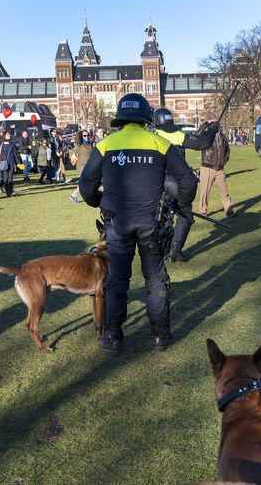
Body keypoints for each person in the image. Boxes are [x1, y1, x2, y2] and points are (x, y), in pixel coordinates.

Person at [79, 93, 198, 352]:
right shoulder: (159, 143)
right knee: (155, 278)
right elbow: (189, 181)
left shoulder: (106, 144)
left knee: (116, 278)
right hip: (151, 223)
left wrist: (98, 200)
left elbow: (86, 184)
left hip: (117, 223)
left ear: (120, 118)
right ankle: (160, 336)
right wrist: (178, 203)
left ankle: (112, 336)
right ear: (146, 118)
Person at [153, 107, 218, 262]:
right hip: (178, 182)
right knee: (185, 214)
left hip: (158, 183)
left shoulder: (152, 136)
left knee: (164, 216)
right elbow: (203, 143)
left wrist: (202, 129)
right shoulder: (177, 135)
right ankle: (174, 250)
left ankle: (164, 250)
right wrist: (213, 130)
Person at [198, 122, 236, 219]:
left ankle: (229, 210)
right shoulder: (206, 136)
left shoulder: (223, 137)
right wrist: (204, 126)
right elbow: (196, 136)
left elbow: (227, 149)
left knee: (224, 190)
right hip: (207, 167)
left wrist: (224, 160)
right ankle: (202, 211)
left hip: (219, 169)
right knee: (205, 191)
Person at [69, 129, 93, 203]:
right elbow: (73, 155)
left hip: (88, 166)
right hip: (82, 166)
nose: (86, 137)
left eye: (87, 135)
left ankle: (74, 196)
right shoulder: (79, 145)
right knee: (84, 183)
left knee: (85, 183)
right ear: (81, 136)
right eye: (84, 135)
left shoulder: (89, 144)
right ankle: (74, 195)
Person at [0, 130, 21, 197]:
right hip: (4, 163)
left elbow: (15, 153)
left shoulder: (12, 143)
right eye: (7, 134)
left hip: (11, 162)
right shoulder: (2, 143)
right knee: (5, 178)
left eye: (9, 134)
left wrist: (18, 162)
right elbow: (0, 153)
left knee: (10, 178)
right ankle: (1, 185)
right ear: (4, 136)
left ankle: (9, 193)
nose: (9, 135)